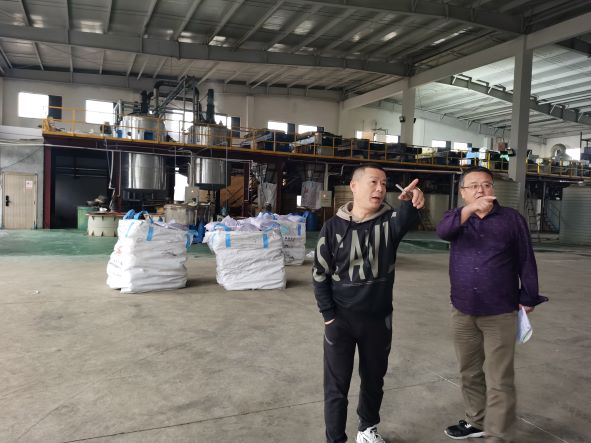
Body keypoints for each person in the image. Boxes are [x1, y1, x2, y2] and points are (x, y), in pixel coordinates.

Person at [313, 164, 424, 443]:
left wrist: (411, 201)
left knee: (374, 380)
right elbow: (319, 273)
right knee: (336, 386)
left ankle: (367, 429)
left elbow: (407, 218)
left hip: (378, 320)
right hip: (340, 320)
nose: (380, 188)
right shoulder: (332, 227)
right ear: (354, 186)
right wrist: (329, 316)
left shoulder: (389, 223)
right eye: (373, 182)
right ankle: (335, 438)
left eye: (384, 184)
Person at [436, 166, 548, 442]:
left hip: (499, 311)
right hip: (463, 309)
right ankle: (476, 421)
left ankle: (498, 434)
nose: (481, 190)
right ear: (463, 192)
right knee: (469, 372)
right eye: (473, 186)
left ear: (493, 189)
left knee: (499, 378)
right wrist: (469, 211)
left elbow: (525, 258)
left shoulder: (511, 219)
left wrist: (528, 295)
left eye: (486, 185)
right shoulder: (456, 218)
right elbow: (443, 232)